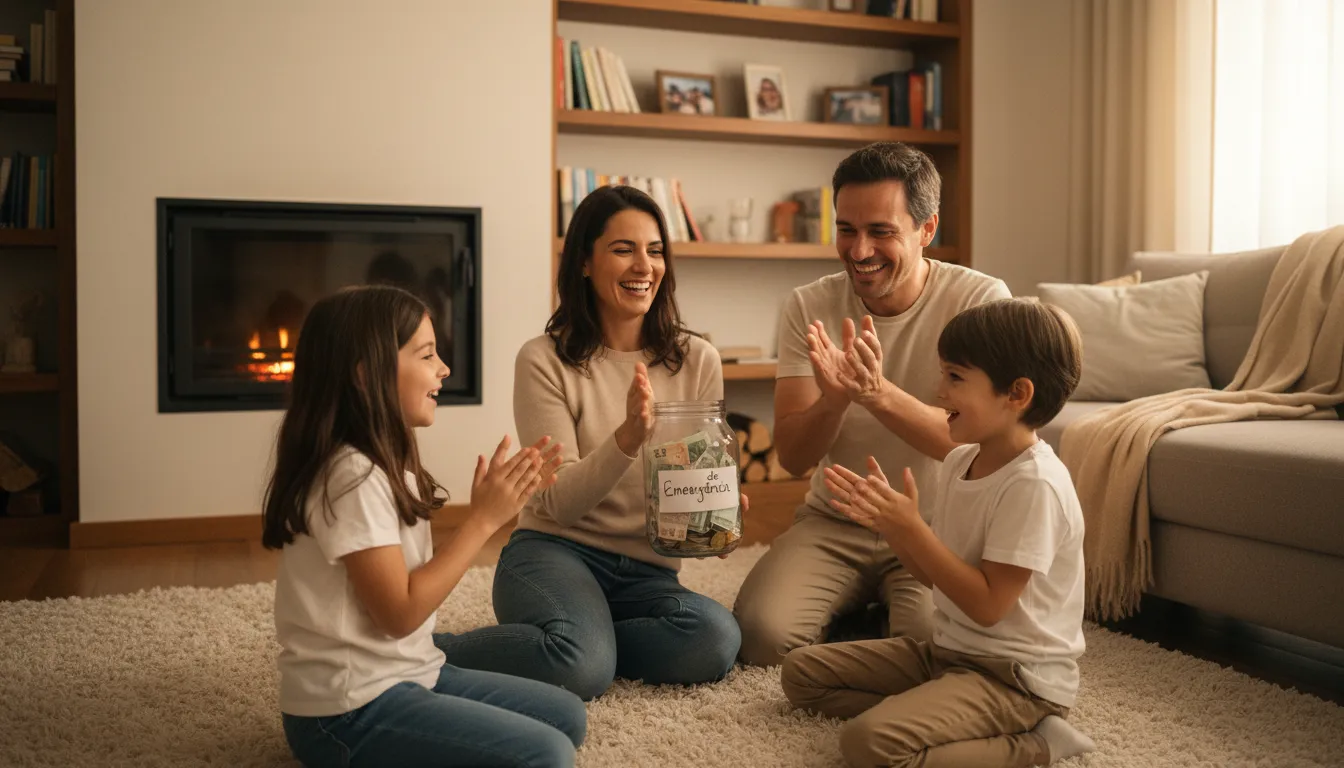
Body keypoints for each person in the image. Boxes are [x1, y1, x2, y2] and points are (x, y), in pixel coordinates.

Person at [436, 185, 743, 700]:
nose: (643, 265)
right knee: (581, 672)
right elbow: (558, 502)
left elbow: (689, 487)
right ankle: (432, 651)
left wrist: (715, 515)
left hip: (648, 571)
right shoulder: (543, 360)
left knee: (715, 640)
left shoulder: (698, 359)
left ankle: (582, 641)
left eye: (655, 250)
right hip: (555, 553)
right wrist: (627, 438)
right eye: (623, 249)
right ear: (584, 262)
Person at [262, 284, 586, 768]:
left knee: (567, 715)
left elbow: (406, 605)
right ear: (367, 375)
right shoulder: (349, 475)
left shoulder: (388, 463)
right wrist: (481, 523)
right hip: (346, 711)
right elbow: (400, 613)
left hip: (411, 671)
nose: (444, 369)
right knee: (548, 755)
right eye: (427, 354)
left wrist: (489, 510)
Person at [781, 298, 1097, 767]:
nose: (937, 390)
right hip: (949, 654)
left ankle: (1037, 743)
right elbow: (935, 578)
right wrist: (896, 530)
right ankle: (938, 722)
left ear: (1017, 394)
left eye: (954, 377)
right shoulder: (958, 461)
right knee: (801, 673)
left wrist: (913, 528)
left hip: (1013, 678)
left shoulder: (1034, 485)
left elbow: (988, 606)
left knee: (868, 744)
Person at [734, 141, 1011, 666]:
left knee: (937, 650)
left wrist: (876, 393)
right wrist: (834, 402)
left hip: (934, 530)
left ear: (927, 231)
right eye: (846, 230)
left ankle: (867, 619)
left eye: (881, 232)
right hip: (835, 522)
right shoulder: (808, 305)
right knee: (759, 637)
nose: (859, 251)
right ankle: (866, 614)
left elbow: (979, 446)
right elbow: (792, 457)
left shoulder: (982, 302)